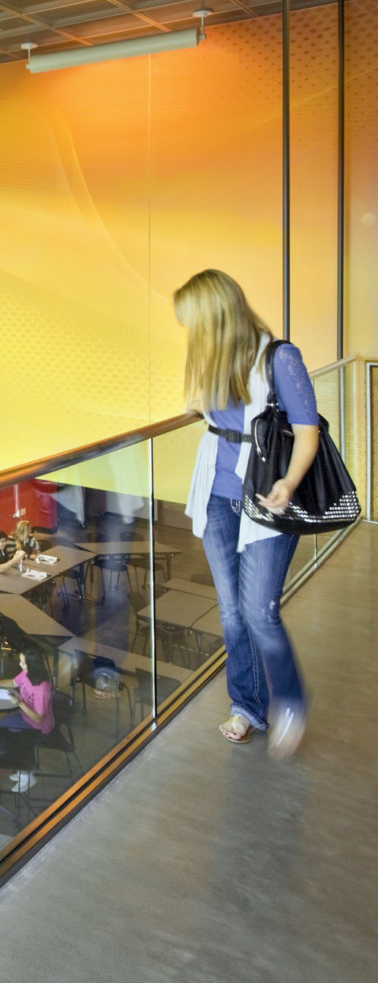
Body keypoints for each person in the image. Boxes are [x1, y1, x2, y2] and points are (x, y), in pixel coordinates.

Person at [175, 269, 316, 758]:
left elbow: (307, 430)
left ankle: (292, 702)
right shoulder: (211, 361)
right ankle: (248, 707)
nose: (190, 331)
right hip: (216, 496)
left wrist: (288, 483)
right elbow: (215, 415)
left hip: (266, 498)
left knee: (260, 612)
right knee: (233, 613)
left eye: (193, 320)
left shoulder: (279, 357)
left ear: (216, 314)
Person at [0, 649, 54, 792]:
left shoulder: (42, 689)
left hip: (38, 728)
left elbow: (38, 718)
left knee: (4, 735)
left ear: (32, 664)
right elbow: (13, 682)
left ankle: (27, 774)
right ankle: (21, 767)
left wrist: (20, 704)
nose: (20, 664)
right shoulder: (27, 673)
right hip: (24, 719)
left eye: (23, 663)